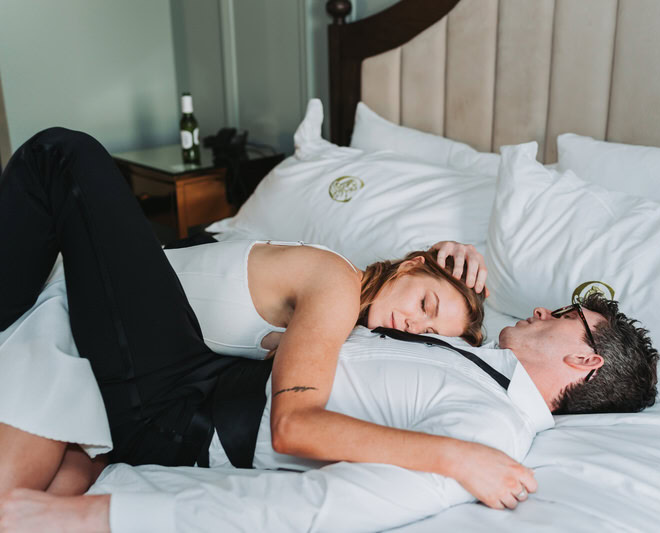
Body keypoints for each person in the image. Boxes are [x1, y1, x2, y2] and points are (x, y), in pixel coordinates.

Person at [0, 127, 523, 507]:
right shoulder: (337, 281)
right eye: (425, 304)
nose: (413, 324)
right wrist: (451, 249)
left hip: (135, 344)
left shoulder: (340, 307)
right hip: (123, 322)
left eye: (430, 333)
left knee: (62, 153)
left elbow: (296, 420)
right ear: (410, 263)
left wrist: (454, 456)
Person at [0, 291, 659, 533]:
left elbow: (315, 510)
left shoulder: (489, 431)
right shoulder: (475, 361)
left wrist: (79, 520)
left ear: (586, 363)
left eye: (568, 317)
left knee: (69, 168)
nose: (543, 310)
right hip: (190, 376)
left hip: (182, 412)